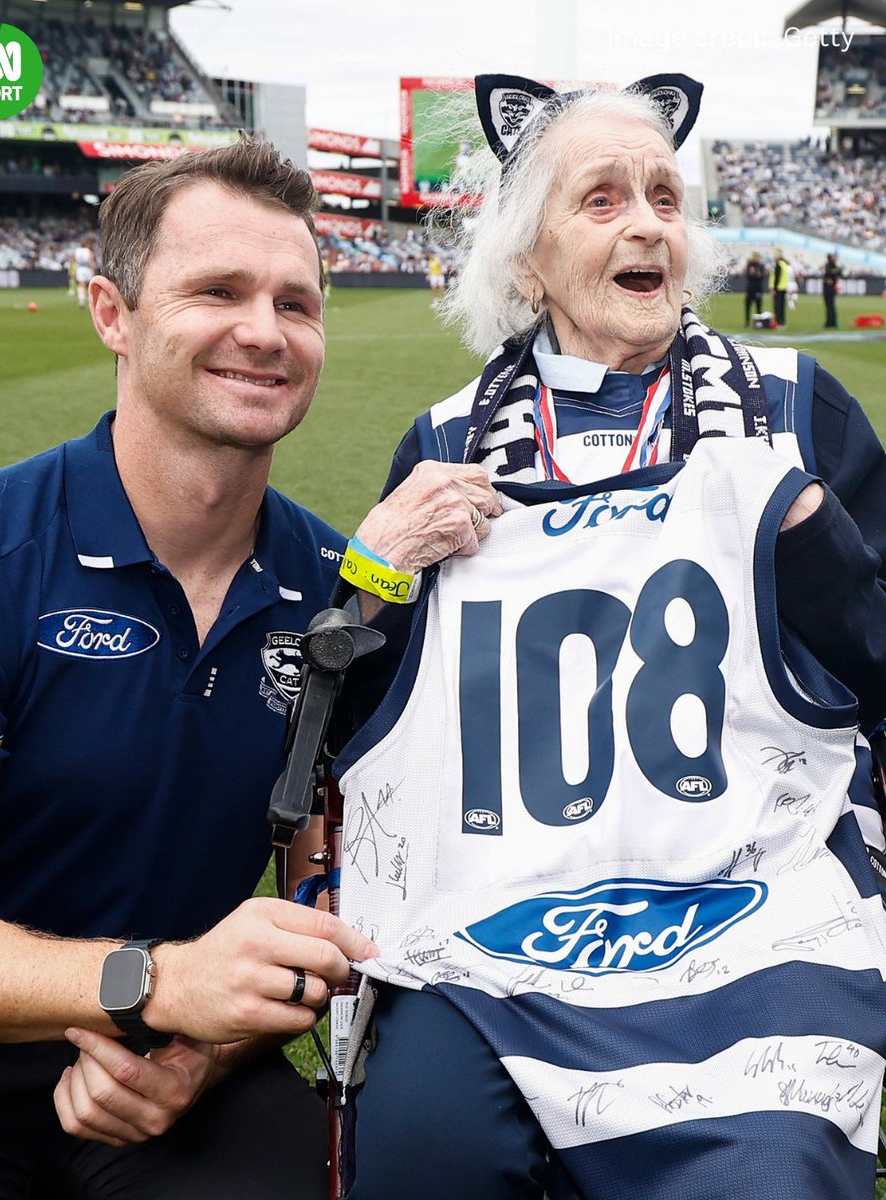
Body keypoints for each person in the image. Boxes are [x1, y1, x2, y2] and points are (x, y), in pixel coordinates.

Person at [330, 73, 886, 1199]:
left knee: (759, 1182)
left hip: (756, 915)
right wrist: (374, 564)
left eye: (665, 198)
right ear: (526, 258)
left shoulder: (794, 406)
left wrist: (815, 537)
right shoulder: (445, 442)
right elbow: (366, 719)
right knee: (421, 1155)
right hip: (497, 928)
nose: (646, 224)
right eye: (602, 199)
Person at [0, 134, 377, 1198]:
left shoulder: (341, 594)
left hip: (188, 1072)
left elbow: (340, 896)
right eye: (217, 290)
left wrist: (202, 1054)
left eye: (296, 304)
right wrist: (153, 983)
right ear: (111, 314)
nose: (264, 333)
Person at [742, 250, 766, 326]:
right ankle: (747, 322)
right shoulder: (749, 265)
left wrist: (757, 274)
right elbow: (748, 276)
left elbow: (761, 277)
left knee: (758, 306)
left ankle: (758, 322)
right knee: (747, 306)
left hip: (758, 289)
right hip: (750, 289)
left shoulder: (761, 266)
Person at [73, 239, 95, 308]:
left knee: (81, 285)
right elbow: (90, 260)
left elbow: (75, 260)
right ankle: (89, 301)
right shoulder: (88, 251)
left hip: (80, 268)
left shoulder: (77, 251)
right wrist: (93, 270)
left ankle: (81, 300)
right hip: (87, 268)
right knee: (89, 285)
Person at [771, 247, 790, 327]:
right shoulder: (785, 264)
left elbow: (777, 278)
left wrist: (774, 289)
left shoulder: (779, 264)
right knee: (782, 307)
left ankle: (778, 322)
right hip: (784, 287)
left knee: (778, 307)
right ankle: (782, 322)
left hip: (779, 288)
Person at [823, 251, 843, 328]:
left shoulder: (829, 265)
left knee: (829, 306)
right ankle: (831, 322)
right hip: (830, 288)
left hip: (829, 288)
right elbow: (839, 273)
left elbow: (828, 274)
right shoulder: (833, 266)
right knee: (830, 306)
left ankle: (830, 323)